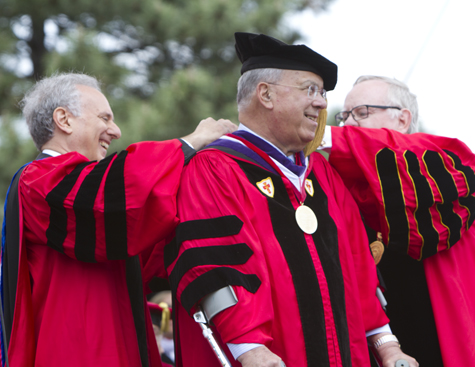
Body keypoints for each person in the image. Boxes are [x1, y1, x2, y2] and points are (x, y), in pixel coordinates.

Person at [164, 33, 418, 367]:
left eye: (323, 93)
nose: (323, 104)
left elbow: (359, 264)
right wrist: (249, 348)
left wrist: (387, 345)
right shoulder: (216, 168)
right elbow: (216, 263)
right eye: (310, 90)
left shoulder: (322, 175)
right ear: (265, 94)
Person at [0, 72, 235, 367]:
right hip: (76, 354)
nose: (116, 130)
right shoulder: (39, 182)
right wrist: (190, 142)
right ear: (64, 119)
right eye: (104, 118)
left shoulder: (99, 210)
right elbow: (114, 190)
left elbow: (150, 253)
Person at [322, 75, 475, 366]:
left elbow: (389, 157)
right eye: (344, 117)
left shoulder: (442, 164)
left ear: (403, 119)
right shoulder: (344, 187)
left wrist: (319, 135)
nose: (349, 125)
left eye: (362, 113)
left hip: (459, 340)